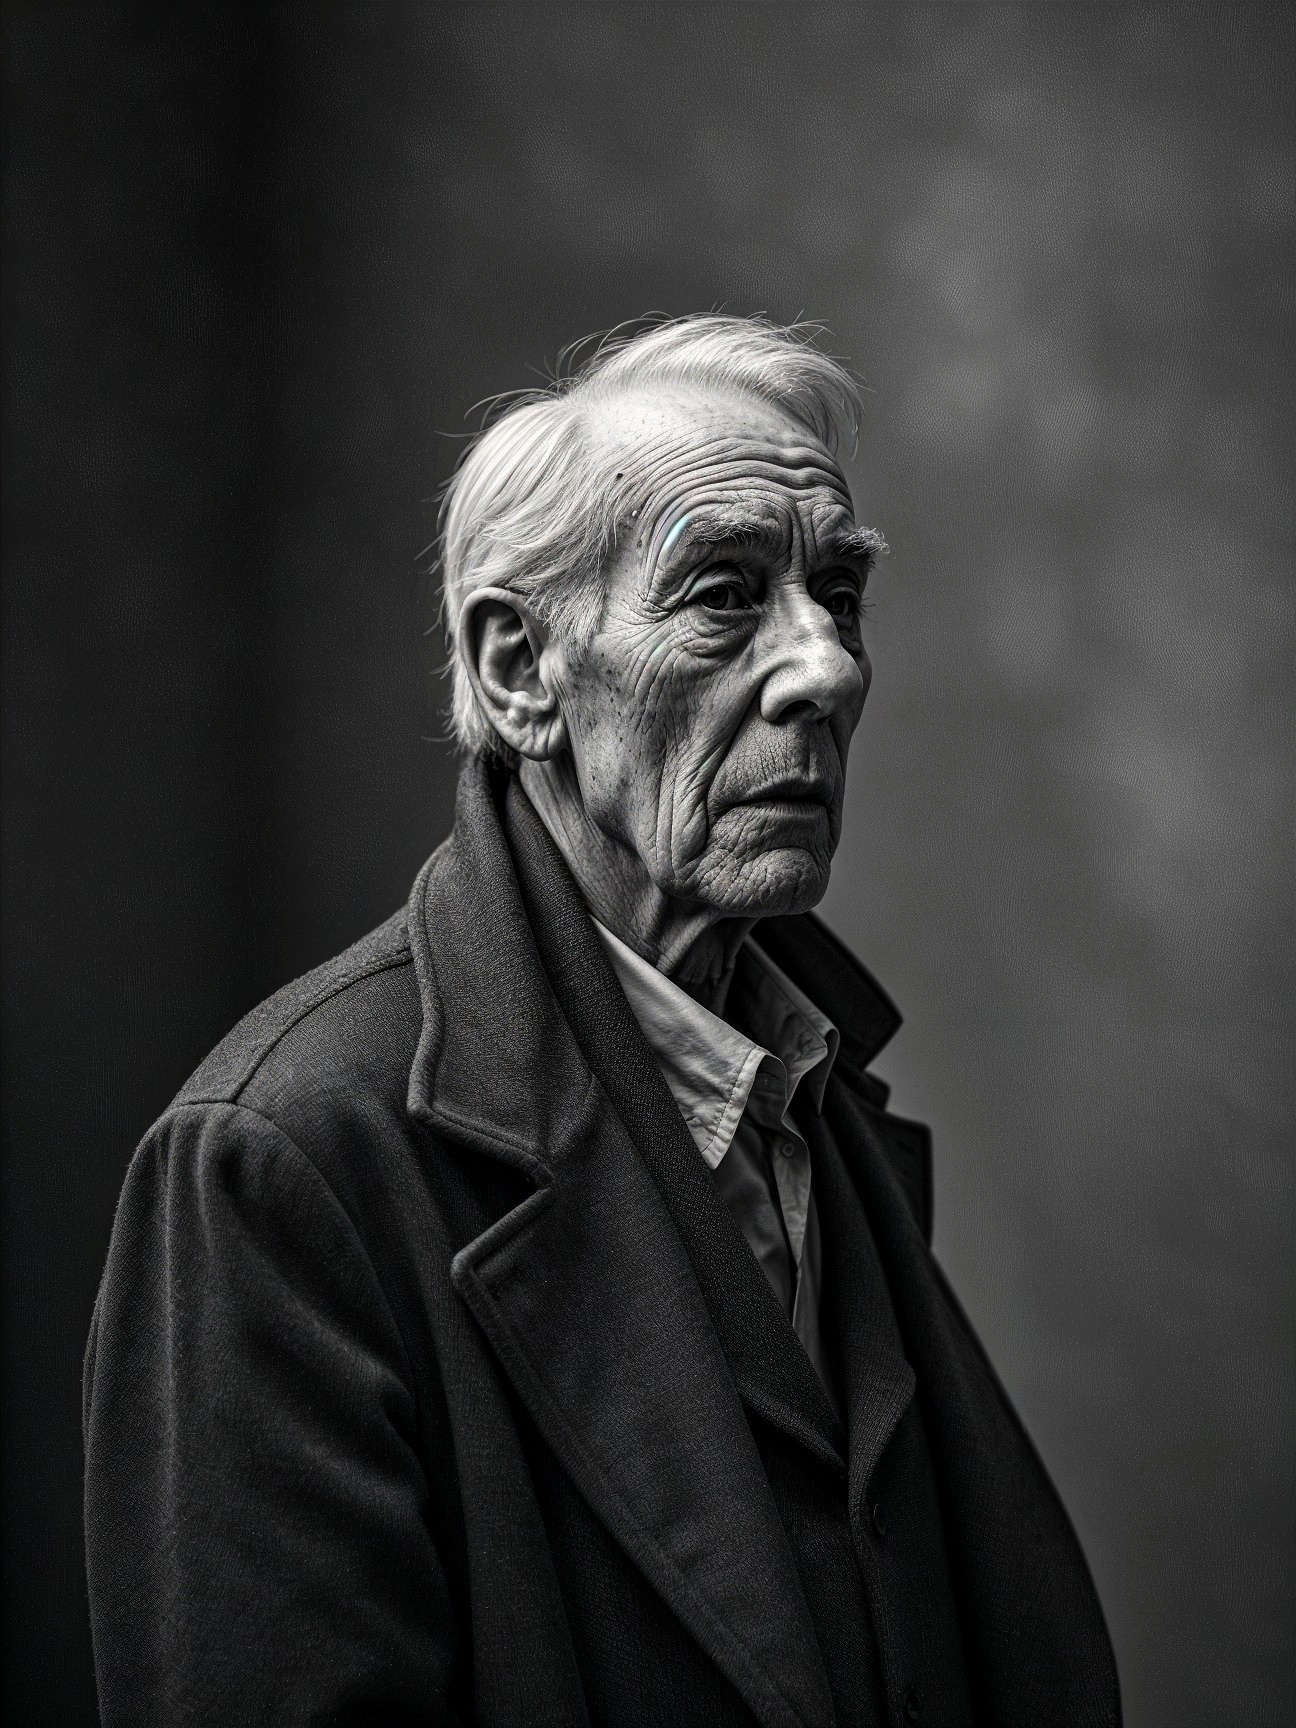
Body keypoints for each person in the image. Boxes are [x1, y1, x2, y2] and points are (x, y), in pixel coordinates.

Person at [83, 315, 1121, 1726]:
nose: (827, 670)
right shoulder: (283, 1160)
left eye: (839, 593)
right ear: (520, 671)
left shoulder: (808, 1089)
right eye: (723, 593)